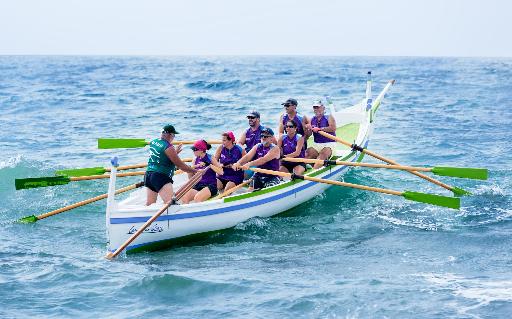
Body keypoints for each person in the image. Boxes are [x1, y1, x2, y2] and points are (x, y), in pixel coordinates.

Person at [144, 124, 197, 206]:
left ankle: (144, 218)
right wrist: (195, 171)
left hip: (148, 175)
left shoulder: (153, 142)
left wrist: (174, 153)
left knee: (149, 205)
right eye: (174, 135)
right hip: (160, 177)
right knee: (172, 205)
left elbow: (161, 157)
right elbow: (180, 166)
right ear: (170, 135)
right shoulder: (168, 146)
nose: (173, 137)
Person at [305, 100, 337, 169]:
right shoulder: (312, 119)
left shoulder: (329, 117)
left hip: (329, 144)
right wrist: (307, 129)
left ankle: (315, 172)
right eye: (315, 108)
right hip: (317, 145)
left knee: (322, 155)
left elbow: (333, 128)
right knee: (307, 153)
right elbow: (309, 135)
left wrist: (320, 129)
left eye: (318, 107)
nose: (316, 109)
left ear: (323, 108)